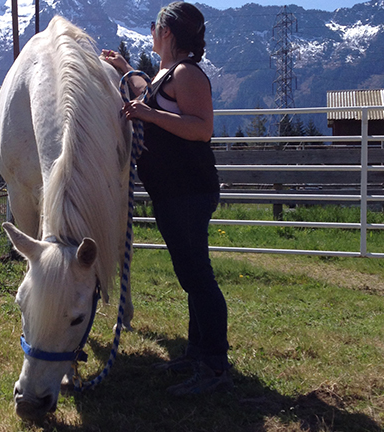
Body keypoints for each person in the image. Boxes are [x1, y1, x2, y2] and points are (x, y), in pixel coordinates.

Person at [101, 1, 232, 396]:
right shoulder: (168, 74)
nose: (152, 31)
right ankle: (197, 354)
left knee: (198, 278)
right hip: (177, 191)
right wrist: (127, 71)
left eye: (155, 26)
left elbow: (201, 128)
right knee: (192, 275)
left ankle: (214, 365)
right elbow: (151, 96)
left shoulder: (188, 73)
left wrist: (149, 116)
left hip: (187, 190)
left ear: (168, 32)